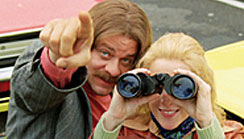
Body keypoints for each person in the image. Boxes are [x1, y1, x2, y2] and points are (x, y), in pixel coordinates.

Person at [6, 0, 152, 138]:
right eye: (105, 53)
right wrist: (57, 60)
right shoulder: (64, 78)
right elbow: (34, 92)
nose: (113, 70)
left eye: (126, 60)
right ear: (86, 44)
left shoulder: (128, 93)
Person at [93, 33, 244, 138]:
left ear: (201, 89)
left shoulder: (231, 134)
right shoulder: (124, 132)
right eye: (157, 86)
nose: (166, 98)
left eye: (181, 87)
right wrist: (113, 119)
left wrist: (205, 122)